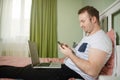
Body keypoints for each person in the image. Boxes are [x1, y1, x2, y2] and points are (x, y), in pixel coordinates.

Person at [0, 6, 112, 80]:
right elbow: (82, 55)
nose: (80, 25)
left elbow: (92, 71)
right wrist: (71, 50)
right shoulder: (89, 36)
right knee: (30, 68)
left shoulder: (101, 39)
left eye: (83, 21)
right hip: (67, 68)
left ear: (93, 19)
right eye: (80, 21)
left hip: (71, 73)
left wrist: (70, 54)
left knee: (25, 72)